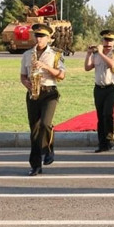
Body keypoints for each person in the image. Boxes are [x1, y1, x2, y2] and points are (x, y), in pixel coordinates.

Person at [20, 23, 66, 176]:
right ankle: (35, 165)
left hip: (49, 92)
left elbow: (61, 75)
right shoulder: (27, 54)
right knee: (34, 130)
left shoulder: (56, 54)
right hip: (33, 93)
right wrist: (26, 83)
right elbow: (23, 75)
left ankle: (48, 149)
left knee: (46, 123)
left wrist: (46, 67)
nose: (39, 39)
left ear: (49, 38)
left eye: (42, 36)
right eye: (37, 36)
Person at [84, 29, 114, 153]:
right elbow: (87, 67)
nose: (108, 43)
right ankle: (102, 143)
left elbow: (113, 65)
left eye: (111, 40)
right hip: (98, 88)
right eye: (106, 40)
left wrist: (101, 53)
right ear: (102, 41)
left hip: (112, 87)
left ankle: (110, 137)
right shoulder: (96, 54)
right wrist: (89, 54)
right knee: (100, 116)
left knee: (108, 113)